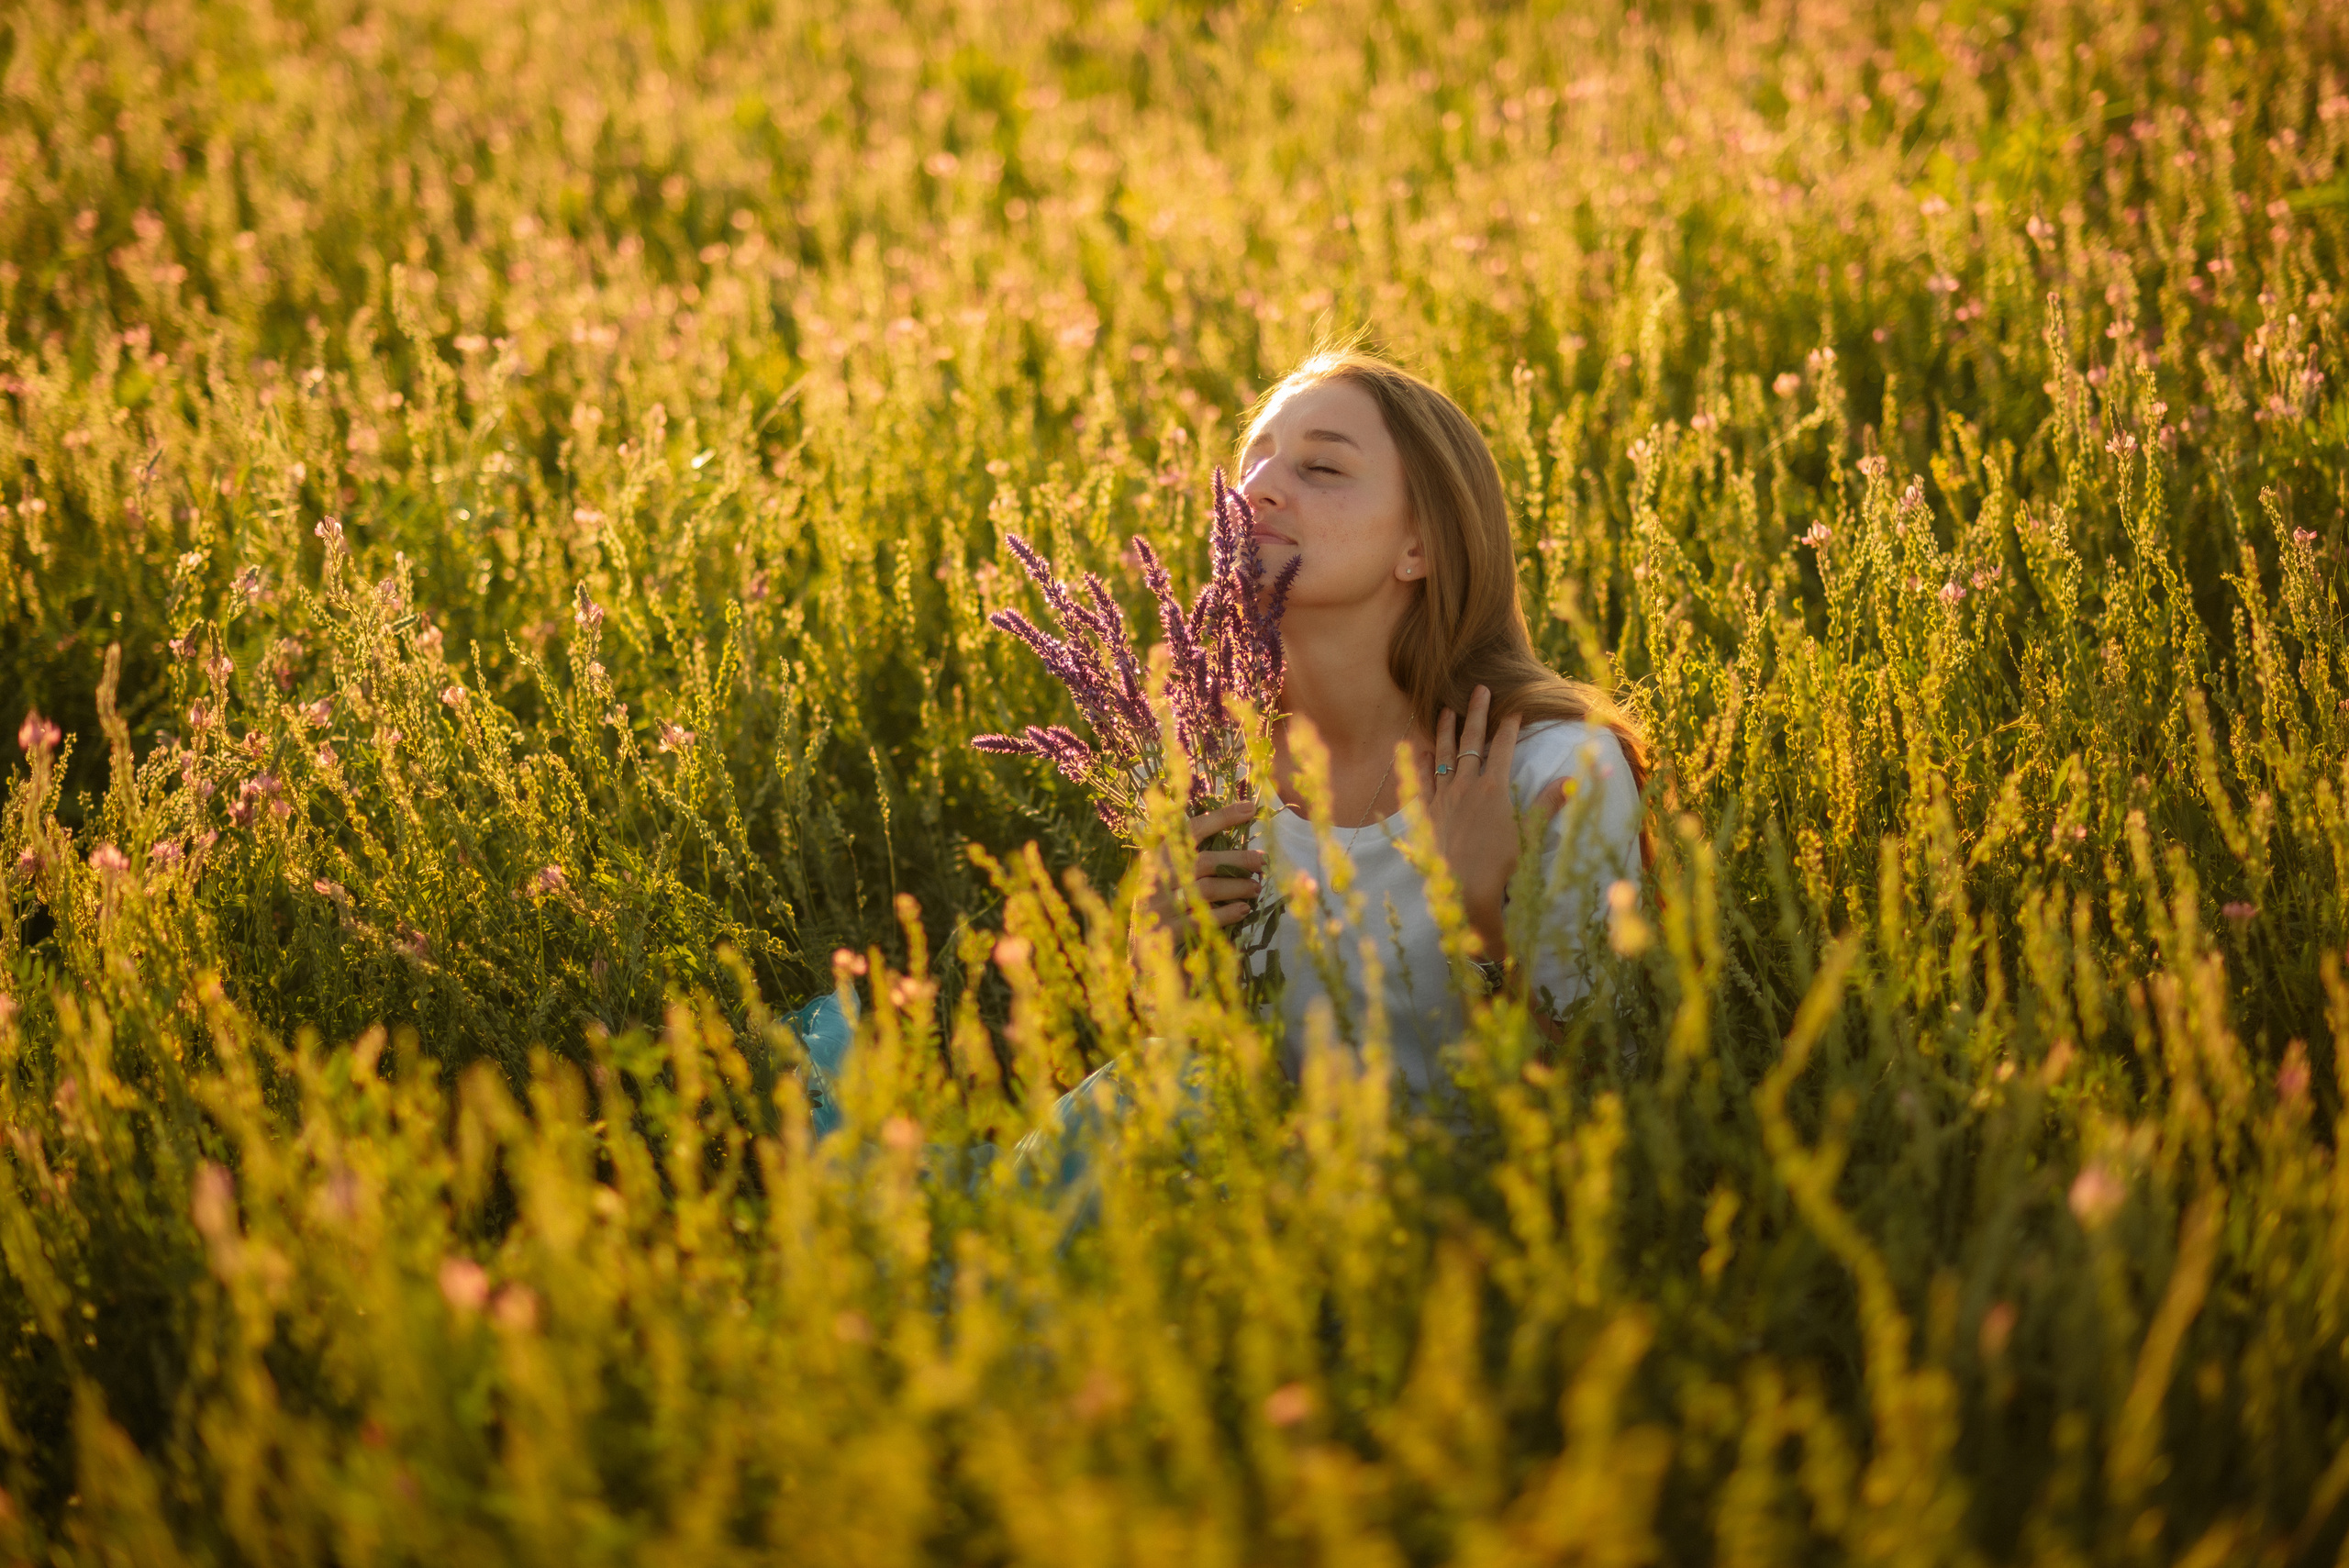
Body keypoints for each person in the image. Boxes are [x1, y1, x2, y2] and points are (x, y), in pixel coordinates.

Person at [1135, 347, 1650, 1096]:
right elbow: (1183, 1071)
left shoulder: (1554, 774)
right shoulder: (1207, 759)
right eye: (1253, 461)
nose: (1254, 491)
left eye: (1322, 468)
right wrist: (1148, 964)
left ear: (1421, 545)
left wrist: (1481, 922)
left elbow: (1605, 1099)